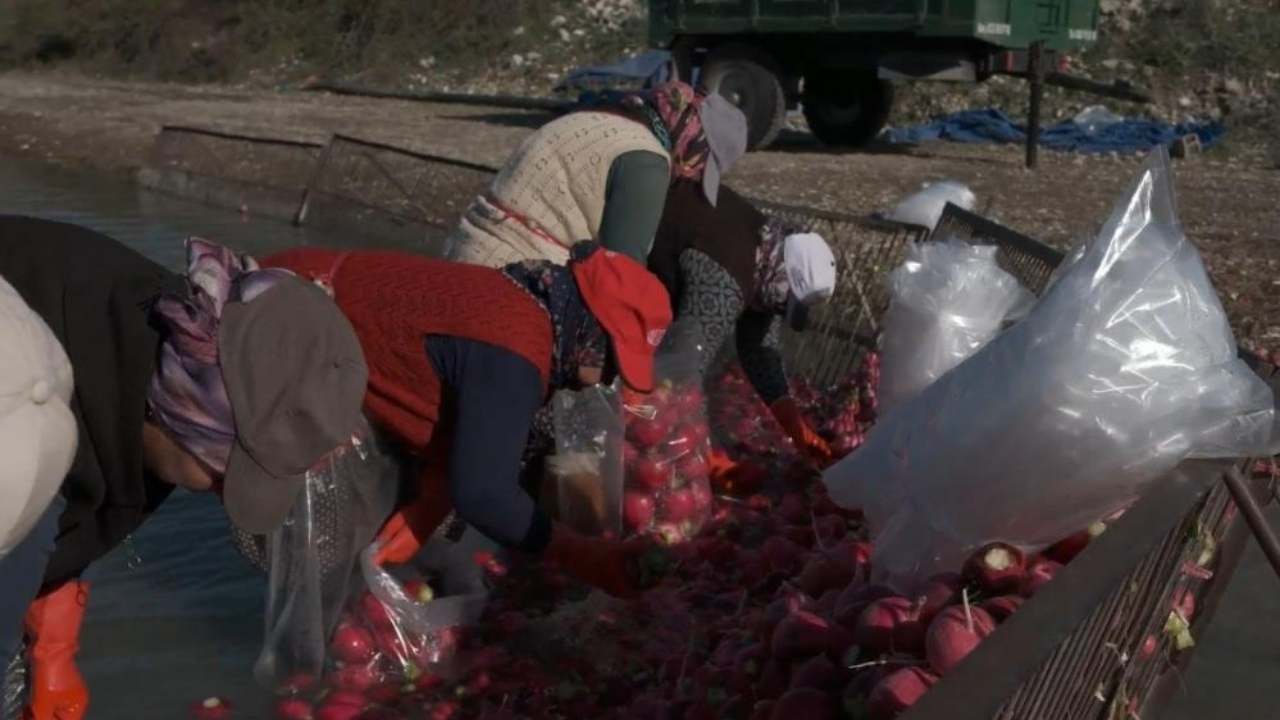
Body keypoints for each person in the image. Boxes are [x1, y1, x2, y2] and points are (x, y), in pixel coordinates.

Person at [0, 216, 370, 720]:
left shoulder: (168, 336)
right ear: (178, 410)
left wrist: (53, 636)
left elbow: (99, 462)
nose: (222, 497)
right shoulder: (26, 417)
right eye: (224, 476)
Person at [261, 241, 674, 598]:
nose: (604, 382)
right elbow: (484, 495)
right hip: (275, 333)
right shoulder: (515, 352)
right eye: (611, 366)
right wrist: (581, 556)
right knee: (311, 542)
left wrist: (434, 493)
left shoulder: (525, 302)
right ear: (590, 337)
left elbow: (449, 384)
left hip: (290, 295)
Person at [446, 80, 748, 268]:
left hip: (463, 255)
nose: (691, 175)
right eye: (700, 166)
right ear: (695, 141)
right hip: (514, 282)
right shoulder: (648, 160)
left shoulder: (599, 118)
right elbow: (623, 272)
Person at [647, 179, 839, 468]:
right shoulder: (725, 280)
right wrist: (705, 455)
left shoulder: (766, 253)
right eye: (785, 300)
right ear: (782, 273)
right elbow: (683, 366)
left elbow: (759, 348)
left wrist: (796, 427)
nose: (780, 308)